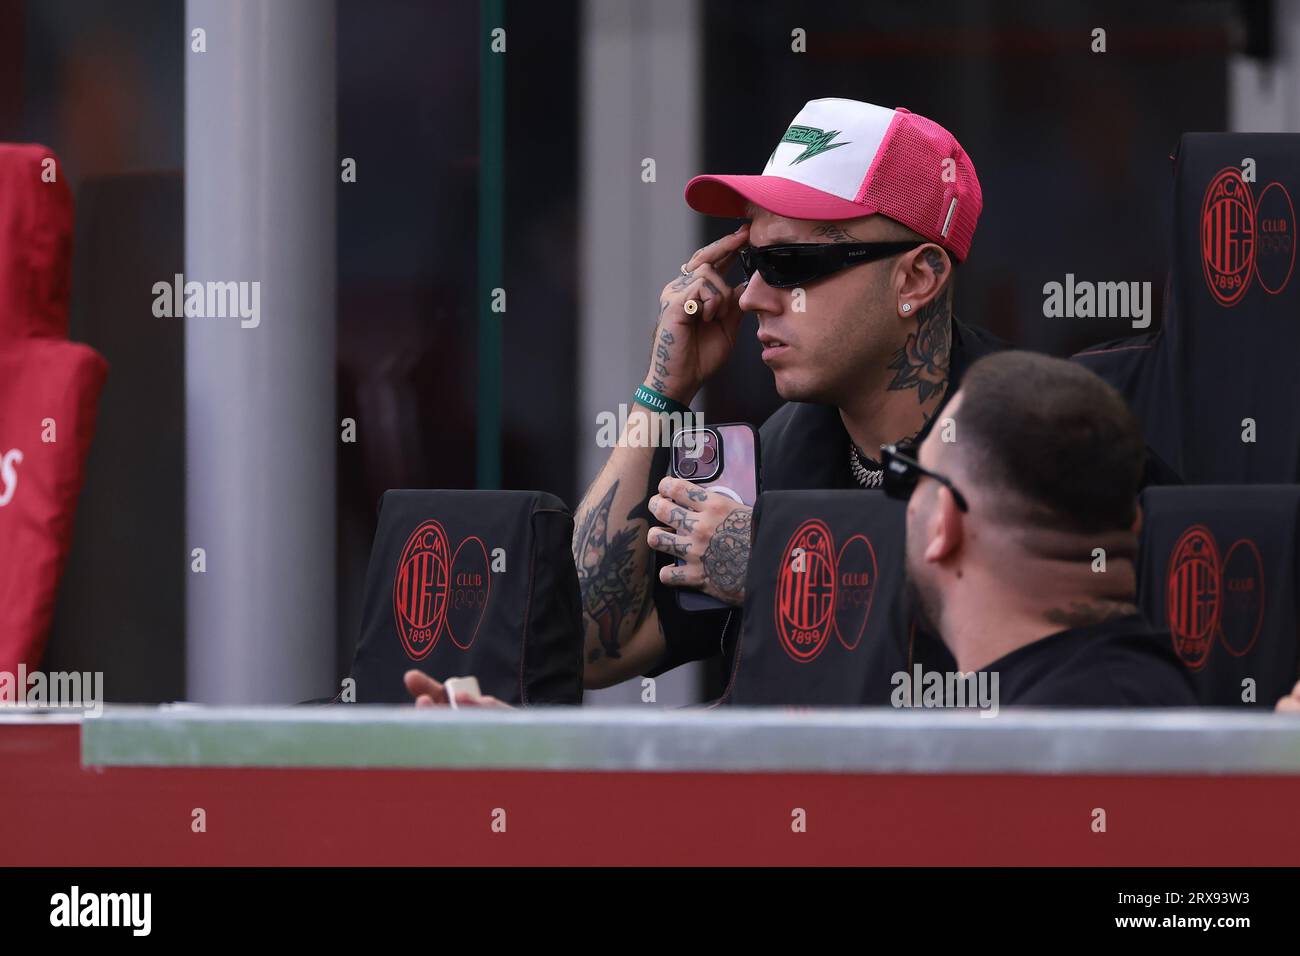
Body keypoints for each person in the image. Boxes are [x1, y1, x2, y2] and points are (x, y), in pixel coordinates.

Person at [572, 98, 1003, 690]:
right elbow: (592, 646)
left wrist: (776, 565)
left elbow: (1054, 652)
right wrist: (663, 394)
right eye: (752, 261)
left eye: (791, 262)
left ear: (917, 277)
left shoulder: (1035, 432)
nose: (749, 296)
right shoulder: (785, 450)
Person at [887, 350, 1196, 706]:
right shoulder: (1146, 696)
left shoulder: (1013, 747)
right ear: (1135, 522)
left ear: (945, 524)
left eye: (912, 473)